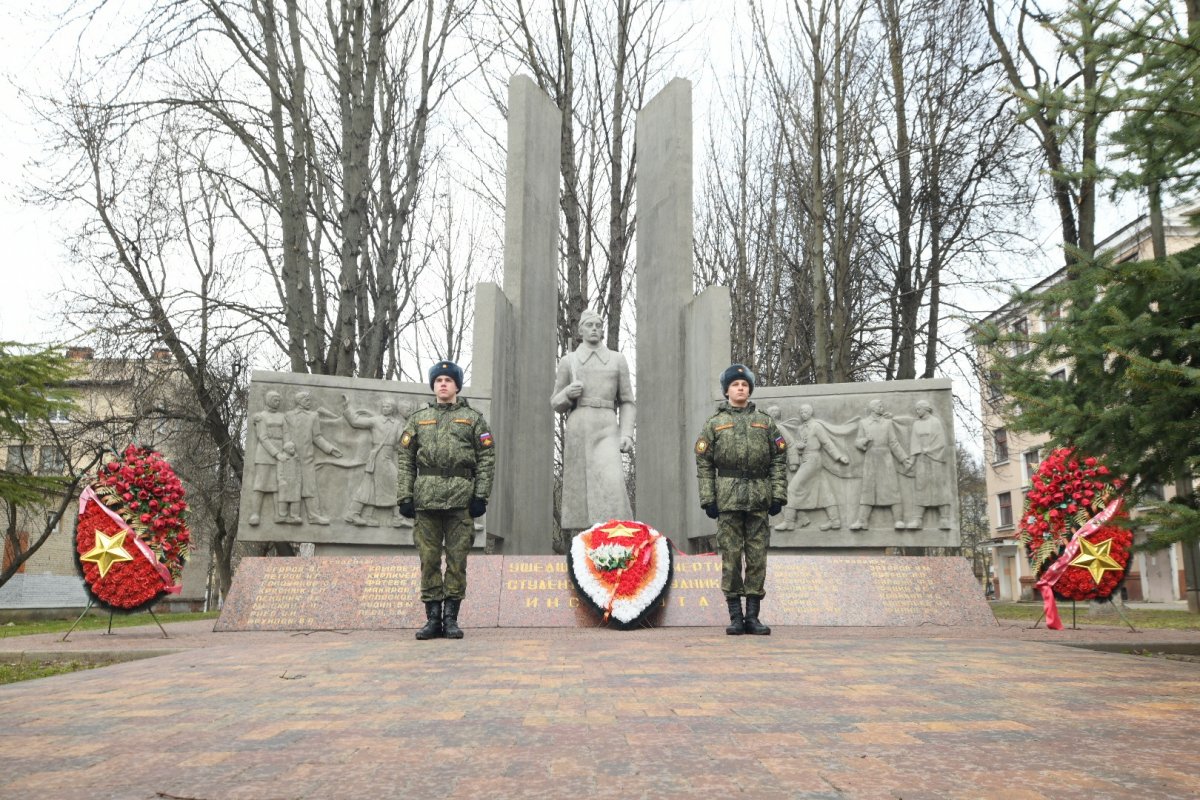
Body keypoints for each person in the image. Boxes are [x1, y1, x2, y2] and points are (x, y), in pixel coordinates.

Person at [396, 360, 495, 641]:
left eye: (448, 380)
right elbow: (405, 459)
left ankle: (451, 618)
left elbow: (487, 458)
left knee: (456, 561)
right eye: (438, 380)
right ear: (433, 386)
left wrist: (480, 496)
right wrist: (405, 496)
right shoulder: (417, 419)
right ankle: (432, 619)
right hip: (426, 500)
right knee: (428, 560)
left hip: (460, 500)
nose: (443, 384)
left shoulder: (473, 419)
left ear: (456, 386)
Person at [694, 364, 787, 636]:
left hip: (759, 496)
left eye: (744, 385)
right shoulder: (714, 424)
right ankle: (735, 616)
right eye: (735, 385)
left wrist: (778, 494)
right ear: (726, 390)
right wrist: (708, 499)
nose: (740, 388)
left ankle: (753, 617)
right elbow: (704, 462)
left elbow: (779, 459)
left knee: (757, 557)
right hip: (728, 498)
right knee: (732, 557)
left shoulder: (766, 422)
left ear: (750, 389)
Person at [550, 310, 635, 553]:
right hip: (579, 426)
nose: (595, 328)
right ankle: (586, 545)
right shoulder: (569, 361)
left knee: (612, 483)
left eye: (599, 324)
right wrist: (568, 394)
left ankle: (615, 541)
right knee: (581, 491)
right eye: (589, 325)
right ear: (580, 331)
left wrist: (626, 434)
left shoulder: (617, 360)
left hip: (607, 424)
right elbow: (555, 403)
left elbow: (628, 401)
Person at [776, 404, 850, 532]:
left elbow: (826, 443)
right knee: (824, 489)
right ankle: (835, 520)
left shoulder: (816, 426)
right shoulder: (800, 428)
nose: (803, 413)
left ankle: (789, 522)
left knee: (792, 488)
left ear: (810, 413)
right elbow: (794, 444)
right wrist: (799, 447)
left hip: (813, 460)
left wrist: (838, 456)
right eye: (801, 412)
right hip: (806, 458)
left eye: (805, 411)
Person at [342, 395, 409, 528]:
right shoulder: (375, 421)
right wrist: (347, 407)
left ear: (393, 409)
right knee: (396, 485)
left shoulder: (397, 424)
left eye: (388, 406)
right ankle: (397, 517)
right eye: (383, 406)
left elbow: (404, 442)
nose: (385, 408)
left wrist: (410, 431)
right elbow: (355, 421)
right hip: (378, 457)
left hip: (388, 457)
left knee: (370, 487)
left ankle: (359, 514)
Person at [283, 390, 343, 525]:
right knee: (291, 486)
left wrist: (330, 449)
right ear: (299, 401)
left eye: (309, 400)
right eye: (306, 400)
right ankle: (291, 515)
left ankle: (314, 516)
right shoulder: (288, 415)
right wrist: (287, 449)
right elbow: (285, 434)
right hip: (291, 457)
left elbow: (317, 437)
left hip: (307, 457)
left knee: (310, 487)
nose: (309, 402)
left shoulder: (313, 416)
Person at [850, 398, 911, 531]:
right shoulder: (864, 423)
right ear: (872, 408)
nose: (882, 408)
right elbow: (857, 441)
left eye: (882, 406)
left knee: (892, 488)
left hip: (886, 457)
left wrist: (903, 459)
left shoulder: (888, 423)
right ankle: (862, 521)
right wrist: (864, 441)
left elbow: (894, 443)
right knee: (868, 490)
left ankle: (898, 520)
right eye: (879, 406)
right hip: (871, 458)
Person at [906, 399, 951, 529]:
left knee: (939, 486)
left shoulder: (935, 422)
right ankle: (918, 519)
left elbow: (941, 441)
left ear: (925, 409)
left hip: (935, 458)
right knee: (920, 486)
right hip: (921, 458)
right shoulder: (916, 424)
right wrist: (913, 459)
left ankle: (945, 519)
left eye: (918, 409)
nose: (917, 411)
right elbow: (914, 442)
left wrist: (929, 449)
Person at [248, 390, 288, 525]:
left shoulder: (283, 416)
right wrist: (277, 454)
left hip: (282, 452)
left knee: (279, 484)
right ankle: (255, 514)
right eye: (275, 400)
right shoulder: (261, 416)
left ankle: (279, 514)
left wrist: (287, 450)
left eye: (279, 400)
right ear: (269, 400)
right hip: (265, 454)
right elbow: (263, 438)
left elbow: (287, 434)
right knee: (260, 484)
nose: (278, 402)